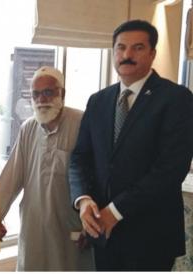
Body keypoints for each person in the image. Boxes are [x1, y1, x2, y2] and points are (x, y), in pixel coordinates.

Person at [69, 19, 193, 271]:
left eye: (137, 48)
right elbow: (79, 158)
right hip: (103, 233)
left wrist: (115, 211)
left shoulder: (176, 99)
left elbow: (171, 169)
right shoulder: (98, 101)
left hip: (150, 235)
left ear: (152, 53)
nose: (126, 55)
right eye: (120, 48)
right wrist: (83, 200)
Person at [0, 66, 94, 271]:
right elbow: (10, 179)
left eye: (48, 92)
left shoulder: (82, 122)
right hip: (34, 231)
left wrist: (92, 224)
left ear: (62, 93)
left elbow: (97, 177)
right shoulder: (28, 129)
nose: (42, 99)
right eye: (36, 94)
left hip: (71, 230)